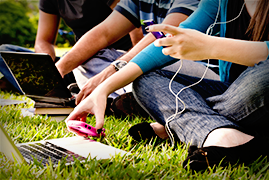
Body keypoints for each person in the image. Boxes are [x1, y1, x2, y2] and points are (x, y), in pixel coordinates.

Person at [65, 0, 269, 171]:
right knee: (145, 80)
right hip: (231, 91)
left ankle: (182, 126)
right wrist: (103, 89)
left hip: (259, 87)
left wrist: (211, 46)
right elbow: (168, 42)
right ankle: (221, 133)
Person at [56, 0, 205, 104]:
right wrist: (59, 69)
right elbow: (104, 32)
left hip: (194, 68)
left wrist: (113, 70)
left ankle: (121, 97)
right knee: (85, 61)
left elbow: (162, 36)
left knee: (146, 69)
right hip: (157, 62)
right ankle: (117, 100)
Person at [0, 0, 132, 94]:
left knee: (87, 61)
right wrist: (49, 69)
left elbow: (106, 34)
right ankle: (58, 85)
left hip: (112, 59)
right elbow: (43, 41)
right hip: (77, 62)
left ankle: (22, 83)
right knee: (4, 52)